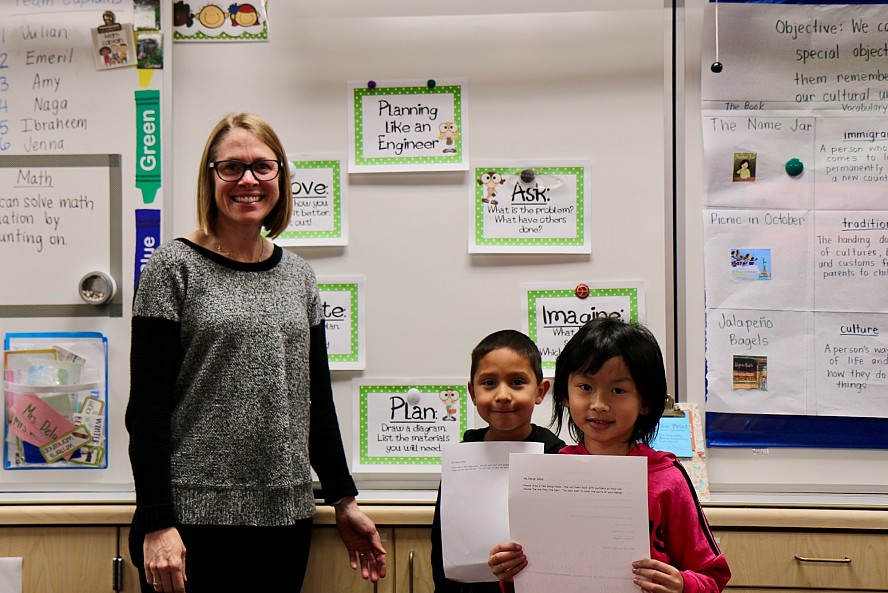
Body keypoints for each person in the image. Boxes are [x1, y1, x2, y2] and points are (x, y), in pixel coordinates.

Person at [125, 113, 386, 593]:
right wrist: (157, 520)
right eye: (232, 167)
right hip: (189, 519)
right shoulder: (172, 266)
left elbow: (316, 403)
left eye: (263, 167)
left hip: (284, 516)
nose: (248, 180)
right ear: (212, 177)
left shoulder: (300, 276)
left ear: (280, 178)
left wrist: (344, 498)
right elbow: (147, 407)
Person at [487, 318, 730, 593]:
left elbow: (713, 576)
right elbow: (532, 577)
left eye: (618, 390)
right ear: (565, 394)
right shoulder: (548, 475)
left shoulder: (667, 480)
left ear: (647, 402)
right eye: (585, 387)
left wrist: (683, 584)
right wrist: (510, 572)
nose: (599, 404)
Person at [432, 330, 565, 593]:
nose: (502, 395)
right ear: (472, 392)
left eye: (517, 382)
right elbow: (441, 548)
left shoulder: (557, 458)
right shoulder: (460, 461)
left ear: (540, 391)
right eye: (489, 383)